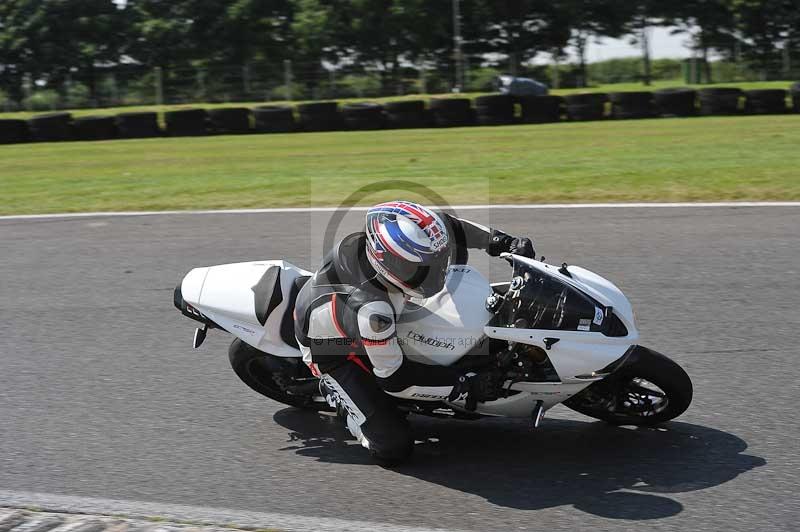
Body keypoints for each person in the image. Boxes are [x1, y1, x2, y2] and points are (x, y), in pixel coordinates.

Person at [294, 201, 535, 463]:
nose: (434, 274)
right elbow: (396, 380)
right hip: (333, 350)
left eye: (435, 262)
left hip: (367, 311)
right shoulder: (374, 314)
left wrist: (501, 241)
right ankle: (337, 398)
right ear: (388, 262)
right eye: (418, 270)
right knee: (392, 446)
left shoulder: (386, 249)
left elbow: (447, 227)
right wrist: (464, 385)